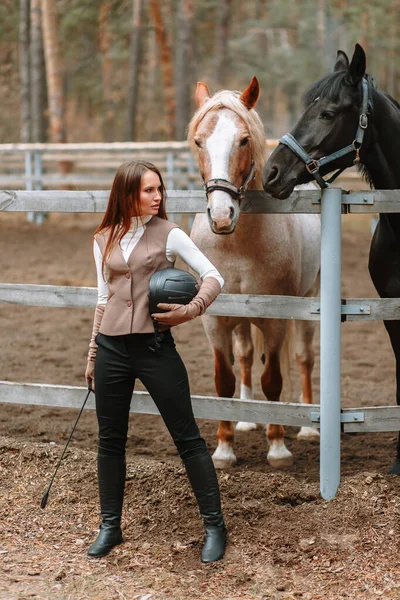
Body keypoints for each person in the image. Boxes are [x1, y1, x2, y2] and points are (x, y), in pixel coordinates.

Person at [85, 160, 227, 563]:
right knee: (110, 441)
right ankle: (109, 526)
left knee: (188, 439)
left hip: (155, 350)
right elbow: (102, 299)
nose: (157, 197)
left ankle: (215, 527)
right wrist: (93, 354)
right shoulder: (103, 238)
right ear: (127, 193)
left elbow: (214, 275)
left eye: (159, 190)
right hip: (111, 348)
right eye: (149, 190)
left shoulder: (171, 234)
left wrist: (192, 310)